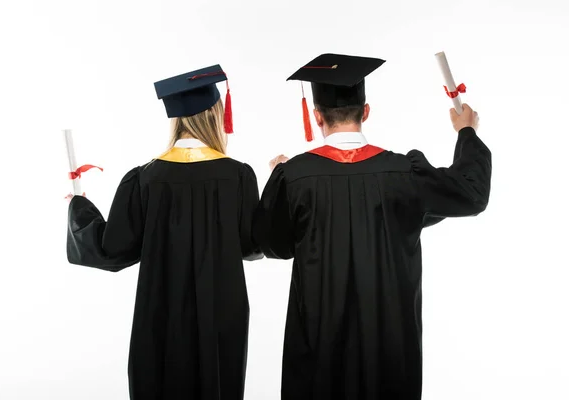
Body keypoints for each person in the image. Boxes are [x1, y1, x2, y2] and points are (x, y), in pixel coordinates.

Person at [253, 53, 491, 400]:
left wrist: (281, 176)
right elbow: (471, 194)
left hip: (319, 350)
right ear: (365, 112)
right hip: (389, 351)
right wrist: (466, 131)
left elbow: (273, 244)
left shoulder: (295, 178)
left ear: (317, 116)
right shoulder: (404, 174)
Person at [66, 64, 263, 400]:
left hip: (160, 316)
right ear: (216, 115)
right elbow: (252, 245)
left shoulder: (144, 179)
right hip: (221, 314)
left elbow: (112, 249)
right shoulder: (238, 176)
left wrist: (80, 208)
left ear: (175, 120)